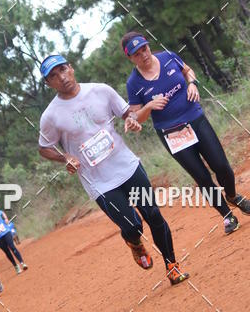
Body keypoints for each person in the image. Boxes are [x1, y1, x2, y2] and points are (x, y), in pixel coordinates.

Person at [37, 54, 189, 285]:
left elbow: (127, 112)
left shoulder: (101, 91)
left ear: (71, 68)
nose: (62, 77)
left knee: (153, 215)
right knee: (133, 225)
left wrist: (131, 119)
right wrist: (65, 156)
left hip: (127, 165)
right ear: (48, 84)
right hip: (99, 182)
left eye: (63, 69)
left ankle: (172, 266)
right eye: (54, 76)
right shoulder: (50, 116)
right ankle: (134, 242)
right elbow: (44, 148)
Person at [122, 32, 250, 235]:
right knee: (201, 176)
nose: (144, 55)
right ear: (130, 58)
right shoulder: (134, 83)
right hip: (171, 132)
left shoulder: (168, 57)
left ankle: (232, 195)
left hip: (195, 117)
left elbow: (188, 71)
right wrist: (148, 106)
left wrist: (192, 84)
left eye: (145, 49)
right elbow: (136, 116)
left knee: (221, 166)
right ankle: (227, 216)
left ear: (149, 47)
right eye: (137, 54)